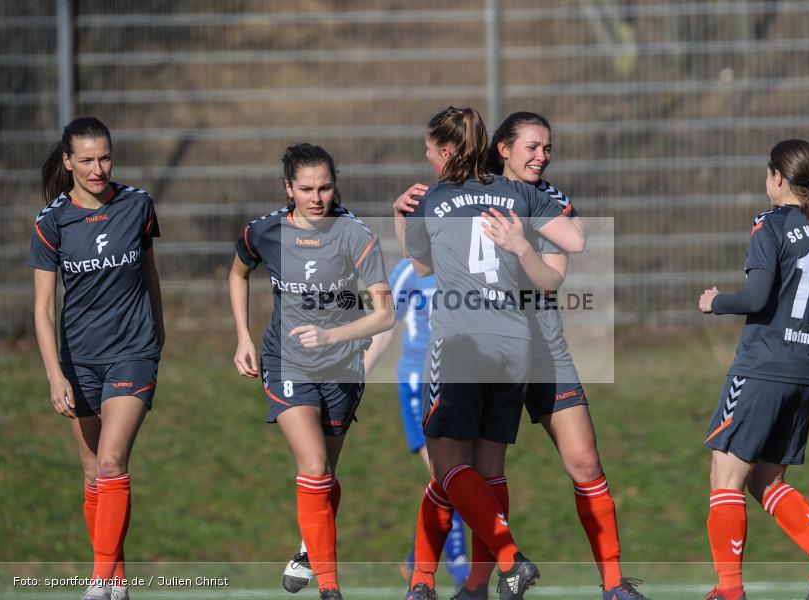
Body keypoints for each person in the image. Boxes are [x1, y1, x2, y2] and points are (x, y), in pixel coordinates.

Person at [396, 112, 648, 600]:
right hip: (503, 343)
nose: (542, 156)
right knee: (469, 472)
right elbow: (428, 260)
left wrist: (521, 247)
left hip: (542, 351)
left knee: (585, 465)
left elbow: (554, 277)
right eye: (533, 146)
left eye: (547, 148)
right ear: (502, 149)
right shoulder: (477, 190)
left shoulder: (544, 199)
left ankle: (614, 585)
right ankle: (463, 585)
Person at [698, 139, 809, 600]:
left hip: (762, 367)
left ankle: (729, 591)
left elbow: (753, 299)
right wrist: (804, 313)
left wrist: (716, 303)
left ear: (776, 177)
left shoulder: (769, 224)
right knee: (766, 479)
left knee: (725, 476)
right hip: (806, 371)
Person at [228, 143, 394, 600]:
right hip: (286, 362)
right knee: (315, 466)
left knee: (326, 478)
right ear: (289, 189)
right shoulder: (265, 231)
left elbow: (385, 314)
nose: (317, 197)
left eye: (324, 187)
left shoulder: (354, 235)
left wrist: (334, 340)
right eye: (306, 189)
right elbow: (238, 273)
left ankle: (308, 548)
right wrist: (243, 336)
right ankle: (330, 588)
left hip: (341, 367)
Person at [29, 117, 163, 600]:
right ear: (67, 162)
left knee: (110, 461)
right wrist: (54, 374)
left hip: (133, 352)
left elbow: (150, 274)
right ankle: (117, 581)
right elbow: (43, 309)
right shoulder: (52, 222)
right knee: (92, 474)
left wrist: (158, 338)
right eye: (85, 159)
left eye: (104, 157)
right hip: (78, 362)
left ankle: (98, 583)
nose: (97, 168)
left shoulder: (137, 205)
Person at [364, 259, 470, 590]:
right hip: (418, 382)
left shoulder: (468, 262)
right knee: (447, 476)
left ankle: (415, 561)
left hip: (460, 382)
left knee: (460, 475)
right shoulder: (409, 271)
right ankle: (459, 572)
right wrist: (357, 376)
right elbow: (384, 325)